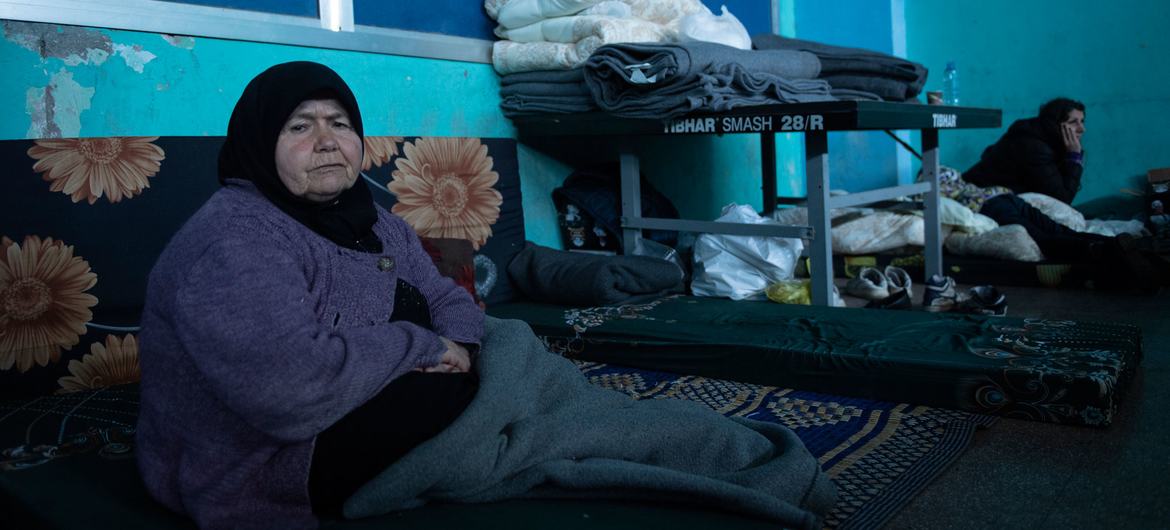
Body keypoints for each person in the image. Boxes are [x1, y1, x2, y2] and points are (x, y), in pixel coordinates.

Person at [135, 61, 485, 529]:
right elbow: (290, 388)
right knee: (485, 395)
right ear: (258, 143)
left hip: (368, 396)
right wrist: (423, 347)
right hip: (268, 460)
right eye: (300, 126)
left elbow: (444, 297)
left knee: (501, 348)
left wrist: (459, 345)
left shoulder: (375, 221)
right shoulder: (234, 237)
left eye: (339, 124)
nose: (326, 141)